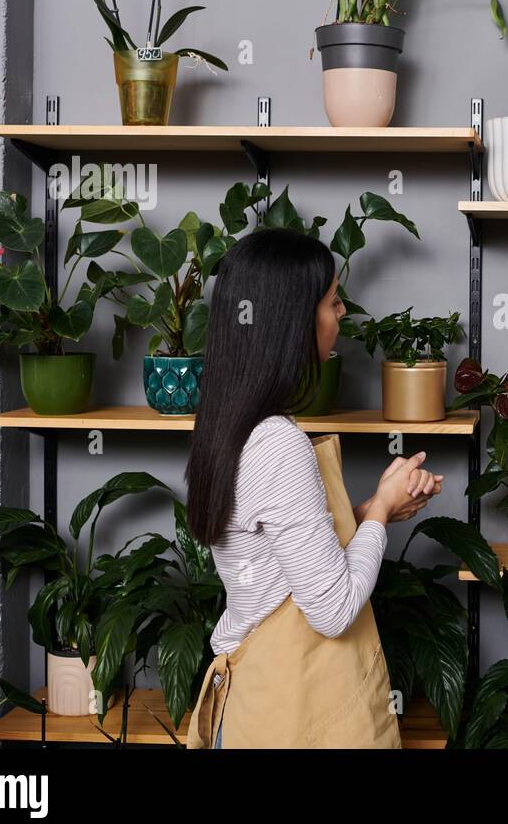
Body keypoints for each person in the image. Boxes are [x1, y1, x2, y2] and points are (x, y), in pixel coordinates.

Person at [184, 227, 443, 748]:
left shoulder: (229, 426)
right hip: (291, 724)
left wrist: (371, 511)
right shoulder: (279, 442)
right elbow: (333, 610)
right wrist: (379, 513)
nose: (341, 314)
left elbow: (277, 558)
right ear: (294, 320)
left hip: (252, 709)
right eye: (332, 301)